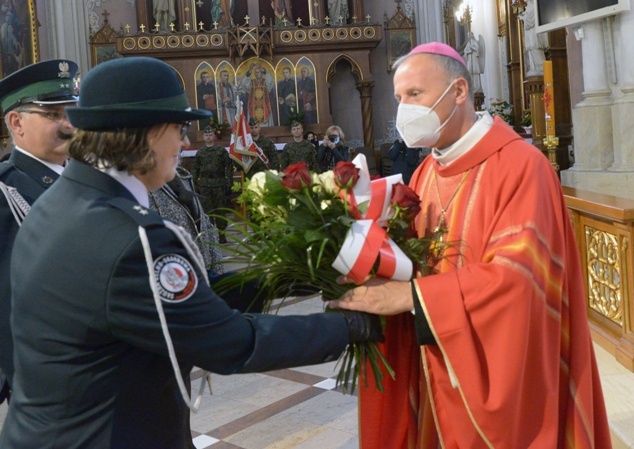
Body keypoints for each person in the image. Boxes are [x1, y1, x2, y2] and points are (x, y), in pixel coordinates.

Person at [0, 56, 381, 449]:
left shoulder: (62, 200)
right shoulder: (131, 235)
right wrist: (352, 325)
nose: (184, 144)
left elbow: (183, 302)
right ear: (145, 134)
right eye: (179, 129)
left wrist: (291, 275)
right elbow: (230, 342)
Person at [328, 42, 612, 448]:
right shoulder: (427, 171)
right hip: (438, 360)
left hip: (500, 372)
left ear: (458, 91)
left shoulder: (520, 167)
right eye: (399, 98)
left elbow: (518, 278)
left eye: (415, 94)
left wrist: (411, 296)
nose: (404, 109)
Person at [0, 59, 79, 404]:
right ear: (16, 122)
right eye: (53, 114)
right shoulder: (6, 192)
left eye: (71, 113)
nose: (67, 125)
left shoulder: (84, 180)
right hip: (45, 381)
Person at [191, 126, 232, 244]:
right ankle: (210, 236)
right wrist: (193, 183)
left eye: (210, 135)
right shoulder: (200, 153)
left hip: (219, 184)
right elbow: (195, 170)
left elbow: (228, 167)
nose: (208, 137)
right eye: (206, 135)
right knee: (207, 212)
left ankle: (222, 235)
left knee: (220, 210)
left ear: (213, 136)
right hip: (204, 185)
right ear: (203, 137)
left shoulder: (221, 151)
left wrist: (229, 183)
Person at [241, 62, 276, 126]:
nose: (257, 74)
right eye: (256, 72)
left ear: (262, 73)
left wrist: (264, 70)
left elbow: (271, 80)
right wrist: (249, 71)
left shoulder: (266, 82)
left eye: (259, 72)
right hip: (253, 107)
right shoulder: (251, 82)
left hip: (265, 107)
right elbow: (243, 84)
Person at [522, 0, 548, 77]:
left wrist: (523, 18)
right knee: (531, 49)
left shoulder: (533, 6)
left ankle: (540, 67)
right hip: (530, 33)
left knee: (535, 47)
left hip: (533, 32)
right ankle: (534, 68)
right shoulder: (529, 6)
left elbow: (529, 22)